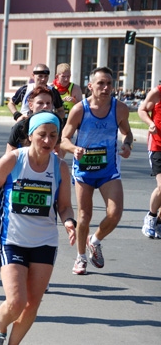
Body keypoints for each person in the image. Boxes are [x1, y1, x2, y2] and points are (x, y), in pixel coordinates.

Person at [0, 110, 76, 345]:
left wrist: (69, 223)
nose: (48, 140)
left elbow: (64, 206)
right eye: (42, 134)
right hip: (12, 239)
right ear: (30, 135)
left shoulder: (60, 167)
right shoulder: (13, 160)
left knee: (32, 304)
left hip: (45, 241)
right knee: (16, 302)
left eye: (53, 135)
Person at [60, 66, 133, 275]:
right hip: (84, 170)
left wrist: (127, 145)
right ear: (90, 86)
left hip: (108, 169)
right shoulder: (79, 110)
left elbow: (127, 133)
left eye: (109, 83)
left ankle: (96, 240)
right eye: (101, 83)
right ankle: (81, 257)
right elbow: (63, 139)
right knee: (84, 216)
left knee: (115, 213)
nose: (106, 87)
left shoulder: (119, 108)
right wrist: (74, 149)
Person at [137, 85, 161, 239]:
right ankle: (151, 217)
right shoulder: (157, 92)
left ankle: (159, 221)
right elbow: (142, 109)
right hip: (158, 145)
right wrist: (150, 123)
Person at [6, 87, 54, 152]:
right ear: (31, 105)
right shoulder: (20, 126)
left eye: (48, 103)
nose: (45, 106)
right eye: (40, 103)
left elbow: (58, 150)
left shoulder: (55, 126)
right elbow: (9, 153)